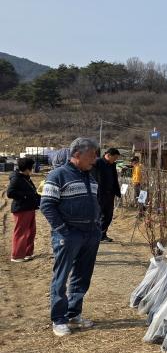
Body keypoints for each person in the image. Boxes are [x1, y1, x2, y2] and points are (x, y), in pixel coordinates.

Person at [40, 138, 102, 337]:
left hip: (90, 234)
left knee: (82, 275)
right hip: (69, 235)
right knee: (61, 276)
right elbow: (47, 205)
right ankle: (59, 319)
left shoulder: (90, 177)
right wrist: (63, 231)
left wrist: (97, 226)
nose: (95, 159)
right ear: (77, 154)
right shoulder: (58, 175)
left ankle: (74, 313)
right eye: (92, 155)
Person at [7, 157, 40, 262]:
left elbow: (32, 191)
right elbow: (10, 193)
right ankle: (16, 256)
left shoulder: (26, 177)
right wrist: (26, 196)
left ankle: (27, 253)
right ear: (27, 168)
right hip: (21, 209)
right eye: (32, 167)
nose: (33, 169)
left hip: (29, 208)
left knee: (31, 232)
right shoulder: (17, 178)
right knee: (21, 232)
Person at [94, 148, 121, 242]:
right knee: (99, 214)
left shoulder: (112, 164)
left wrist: (117, 191)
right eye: (115, 157)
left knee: (108, 215)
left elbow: (114, 178)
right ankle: (95, 235)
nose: (115, 160)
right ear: (108, 155)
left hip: (110, 194)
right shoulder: (98, 163)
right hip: (99, 193)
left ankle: (102, 234)